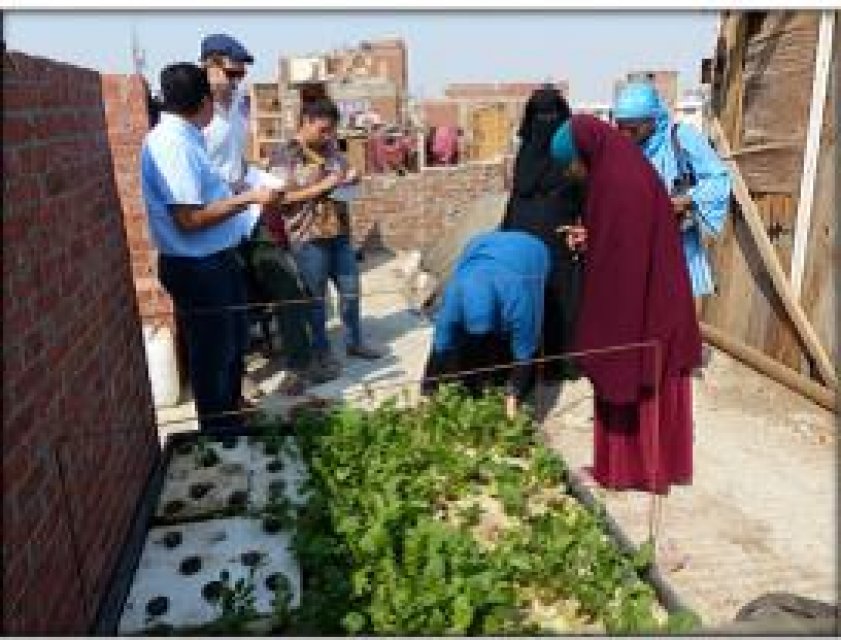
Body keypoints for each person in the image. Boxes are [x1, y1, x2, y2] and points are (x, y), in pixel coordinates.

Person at [549, 114, 702, 495]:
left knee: (628, 372)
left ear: (585, 151)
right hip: (655, 298)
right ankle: (648, 467)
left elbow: (624, 261)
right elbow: (623, 237)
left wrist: (606, 335)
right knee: (643, 376)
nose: (574, 172)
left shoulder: (618, 181)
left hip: (641, 309)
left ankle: (627, 471)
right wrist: (592, 236)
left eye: (572, 164)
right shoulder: (619, 166)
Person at [140, 62, 284, 433]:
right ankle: (219, 436)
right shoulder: (172, 144)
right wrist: (251, 197)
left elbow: (204, 195)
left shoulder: (186, 136)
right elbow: (188, 220)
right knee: (214, 357)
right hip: (198, 267)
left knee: (234, 344)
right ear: (204, 101)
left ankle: (231, 416)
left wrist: (237, 191)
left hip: (216, 260)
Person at [199, 34, 326, 391]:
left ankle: (299, 367)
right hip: (216, 217)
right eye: (231, 73)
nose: (236, 81)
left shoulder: (237, 104)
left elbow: (237, 164)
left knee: (288, 284)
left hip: (248, 214)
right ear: (210, 64)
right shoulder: (194, 110)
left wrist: (266, 181)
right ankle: (239, 379)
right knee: (232, 301)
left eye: (240, 75)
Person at [269, 97, 383, 378]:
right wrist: (323, 186)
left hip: (339, 233)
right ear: (305, 122)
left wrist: (351, 177)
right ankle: (322, 353)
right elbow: (279, 199)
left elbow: (341, 173)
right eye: (323, 130)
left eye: (332, 130)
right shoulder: (285, 154)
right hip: (308, 238)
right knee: (316, 301)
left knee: (351, 292)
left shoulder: (331, 148)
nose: (328, 136)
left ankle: (355, 342)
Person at [613, 82, 732, 307]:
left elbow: (719, 180)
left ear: (653, 119)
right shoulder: (622, 150)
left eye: (633, 128)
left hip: (680, 254)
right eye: (621, 127)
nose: (626, 134)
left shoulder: (682, 138)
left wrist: (686, 200)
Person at [500, 85, 584, 381]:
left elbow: (583, 192)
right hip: (524, 237)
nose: (545, 122)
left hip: (558, 237)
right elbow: (517, 196)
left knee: (559, 298)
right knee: (527, 299)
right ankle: (526, 366)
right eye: (540, 115)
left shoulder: (570, 153)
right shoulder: (526, 154)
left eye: (551, 115)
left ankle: (556, 364)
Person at [421, 230, 551, 419]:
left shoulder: (520, 301)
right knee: (466, 351)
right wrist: (427, 392)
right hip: (480, 247)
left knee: (521, 342)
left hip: (531, 254)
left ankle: (507, 378)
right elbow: (440, 347)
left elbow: (525, 352)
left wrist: (512, 400)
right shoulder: (453, 298)